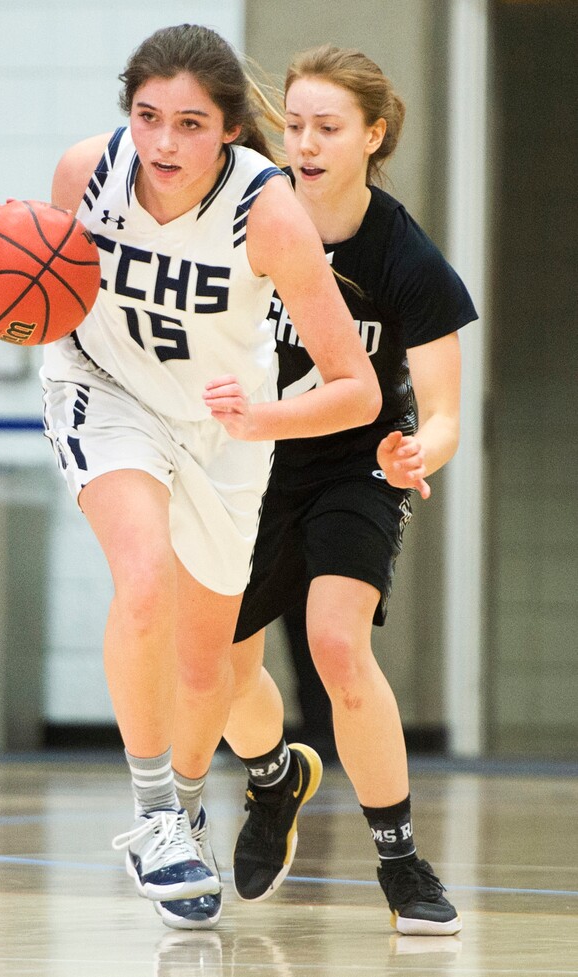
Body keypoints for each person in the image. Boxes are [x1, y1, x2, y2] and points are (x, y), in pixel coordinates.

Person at [39, 25, 380, 932]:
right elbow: (48, 293)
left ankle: (208, 795)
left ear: (229, 130)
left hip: (227, 430)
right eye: (148, 116)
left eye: (190, 123)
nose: (162, 143)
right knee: (140, 576)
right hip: (105, 392)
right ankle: (158, 816)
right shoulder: (86, 172)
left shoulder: (268, 213)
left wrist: (261, 418)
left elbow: (357, 388)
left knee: (211, 667)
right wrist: (14, 303)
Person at [217, 45, 478, 936]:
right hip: (248, 464)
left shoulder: (405, 257)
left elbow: (443, 411)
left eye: (328, 128)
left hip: (355, 466)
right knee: (219, 669)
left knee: (334, 643)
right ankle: (274, 774)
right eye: (294, 125)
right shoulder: (246, 218)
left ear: (374, 135)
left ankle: (401, 862)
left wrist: (420, 454)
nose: (306, 143)